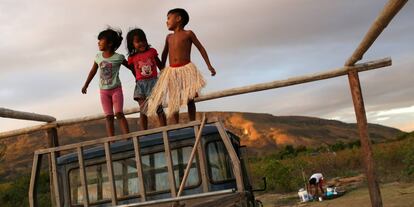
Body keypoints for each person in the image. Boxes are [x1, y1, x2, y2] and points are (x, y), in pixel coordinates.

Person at [147, 8, 216, 124]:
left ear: (178, 19)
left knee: (190, 98)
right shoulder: (168, 37)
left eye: (169, 18)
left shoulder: (188, 34)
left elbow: (201, 48)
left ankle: (192, 121)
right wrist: (161, 69)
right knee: (174, 99)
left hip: (186, 69)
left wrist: (209, 65)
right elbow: (164, 55)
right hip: (172, 71)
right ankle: (175, 125)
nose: (166, 21)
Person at [82, 28, 130, 136]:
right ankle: (111, 141)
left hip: (116, 90)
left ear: (110, 43)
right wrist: (86, 85)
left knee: (119, 113)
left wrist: (138, 77)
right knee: (108, 116)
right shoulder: (98, 57)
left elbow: (131, 67)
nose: (98, 42)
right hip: (104, 92)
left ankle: (128, 138)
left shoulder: (119, 57)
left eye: (101, 40)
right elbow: (93, 71)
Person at [126, 28, 167, 130]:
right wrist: (137, 79)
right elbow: (133, 70)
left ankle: (165, 129)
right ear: (132, 44)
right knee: (143, 110)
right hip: (141, 84)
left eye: (143, 40)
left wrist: (166, 73)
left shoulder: (152, 52)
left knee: (159, 108)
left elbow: (160, 65)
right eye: (138, 42)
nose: (142, 43)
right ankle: (144, 132)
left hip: (154, 82)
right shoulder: (132, 57)